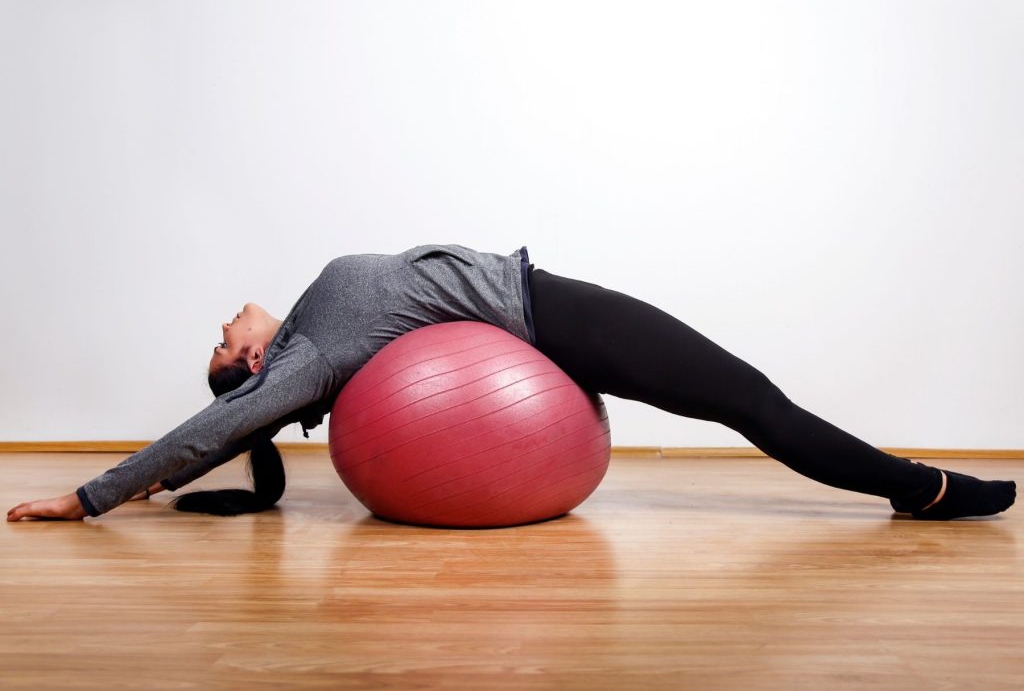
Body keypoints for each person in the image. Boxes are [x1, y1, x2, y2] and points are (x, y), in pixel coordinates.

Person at [6, 244, 1016, 523]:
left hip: (542, 326)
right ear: (254, 367)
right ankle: (920, 488)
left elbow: (223, 425)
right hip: (550, 320)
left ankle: (909, 486)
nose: (227, 321)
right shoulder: (307, 355)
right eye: (225, 342)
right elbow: (210, 432)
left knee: (748, 398)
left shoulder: (314, 322)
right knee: (753, 401)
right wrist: (92, 495)